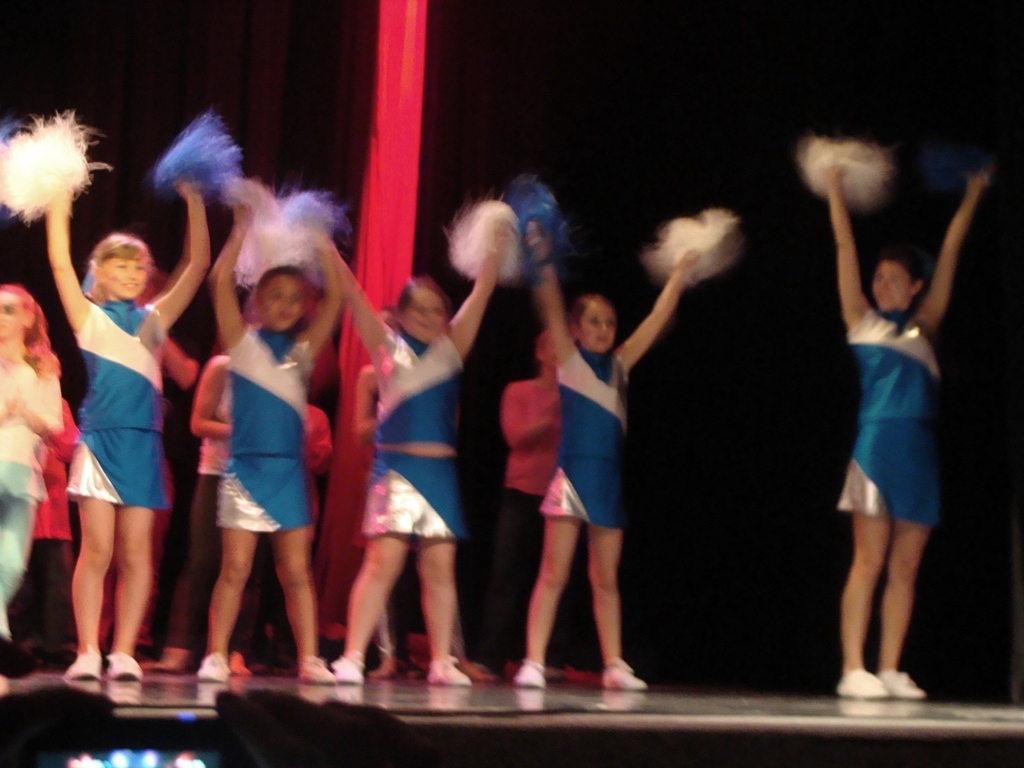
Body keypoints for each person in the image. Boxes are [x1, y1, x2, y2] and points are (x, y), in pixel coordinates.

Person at [829, 165, 992, 699]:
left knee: (905, 568)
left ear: (916, 285)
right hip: (877, 448)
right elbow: (844, 248)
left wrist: (972, 195)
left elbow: (951, 251)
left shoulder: (927, 323)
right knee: (868, 560)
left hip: (919, 453)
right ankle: (853, 667)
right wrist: (835, 190)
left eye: (894, 278)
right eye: (878, 278)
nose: (882, 286)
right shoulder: (861, 321)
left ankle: (890, 668)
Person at [515, 221, 698, 691]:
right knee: (554, 573)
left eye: (609, 322)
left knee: (605, 579)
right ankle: (533, 659)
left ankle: (613, 664)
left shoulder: (620, 366)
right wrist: (541, 256)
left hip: (607, 482)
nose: (602, 329)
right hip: (571, 478)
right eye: (593, 321)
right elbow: (551, 304)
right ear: (575, 330)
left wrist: (679, 275)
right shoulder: (570, 362)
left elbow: (657, 319)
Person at [331, 222, 510, 687]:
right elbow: (352, 293)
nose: (431, 317)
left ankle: (441, 662)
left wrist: (495, 245)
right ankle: (352, 656)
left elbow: (483, 291)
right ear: (403, 314)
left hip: (439, 473)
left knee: (440, 570)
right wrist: (321, 242)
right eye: (421, 309)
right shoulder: (386, 349)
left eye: (438, 309)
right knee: (382, 564)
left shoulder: (452, 350)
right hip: (395, 471)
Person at [45, 182, 210, 681]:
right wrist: (58, 203)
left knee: (138, 554)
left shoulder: (154, 321)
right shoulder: (88, 318)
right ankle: (87, 649)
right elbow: (59, 264)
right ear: (98, 271)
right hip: (100, 443)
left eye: (138, 267)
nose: (131, 273)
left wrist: (195, 200)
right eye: (119, 265)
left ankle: (123, 652)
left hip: (143, 446)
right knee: (97, 549)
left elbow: (197, 265)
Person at [197, 201, 344, 684]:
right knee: (235, 569)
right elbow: (219, 281)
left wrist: (319, 238)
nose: (284, 305)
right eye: (274, 296)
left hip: (287, 474)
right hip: (244, 472)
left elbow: (337, 297)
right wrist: (240, 227)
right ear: (257, 301)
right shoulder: (241, 346)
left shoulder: (303, 353)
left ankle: (310, 659)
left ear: (304, 308)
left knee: (296, 573)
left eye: (294, 298)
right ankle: (216, 654)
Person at [476, 330, 572, 678]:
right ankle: (491, 658)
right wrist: (552, 412)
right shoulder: (518, 391)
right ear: (539, 352)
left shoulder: (578, 394)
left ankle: (551, 658)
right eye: (552, 345)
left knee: (556, 577)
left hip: (560, 494)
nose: (560, 352)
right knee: (506, 575)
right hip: (520, 491)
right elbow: (516, 437)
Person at [0, 285, 62, 651]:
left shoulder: (42, 369)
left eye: (8, 310)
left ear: (27, 317)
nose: (1, 318)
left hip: (22, 473)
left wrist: (27, 413)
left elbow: (53, 425)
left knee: (13, 564)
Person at [9, 398, 78, 667]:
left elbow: (70, 446)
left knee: (56, 576)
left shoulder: (57, 402)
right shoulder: (8, 395)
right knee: (16, 574)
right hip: (16, 492)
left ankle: (53, 645)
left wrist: (45, 425)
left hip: (51, 501)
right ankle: (17, 643)